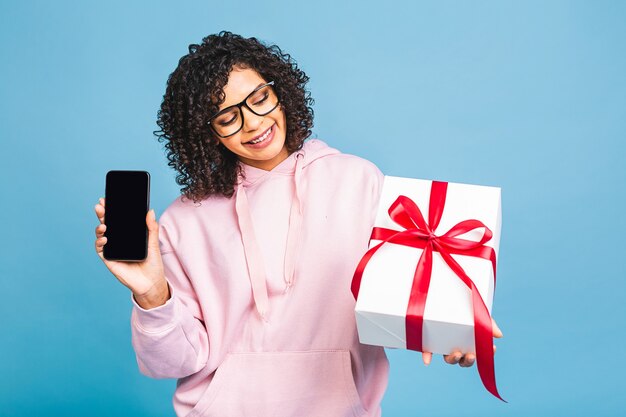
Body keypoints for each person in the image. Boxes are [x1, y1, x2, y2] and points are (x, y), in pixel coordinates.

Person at [93, 31, 503, 417]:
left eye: (259, 97)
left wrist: (451, 328)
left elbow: (398, 296)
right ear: (206, 134)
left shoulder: (358, 180)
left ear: (280, 91)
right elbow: (173, 362)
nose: (252, 122)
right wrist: (152, 294)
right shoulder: (183, 220)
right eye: (226, 117)